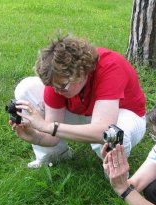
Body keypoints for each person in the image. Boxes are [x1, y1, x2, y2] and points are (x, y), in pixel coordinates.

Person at [11, 34, 147, 168]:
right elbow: (53, 135)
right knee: (26, 88)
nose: (56, 91)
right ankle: (54, 157)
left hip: (124, 115)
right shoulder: (58, 79)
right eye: (52, 86)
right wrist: (35, 136)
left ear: (81, 71)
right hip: (86, 114)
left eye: (62, 86)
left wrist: (46, 126)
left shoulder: (110, 66)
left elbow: (103, 131)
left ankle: (117, 180)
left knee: (114, 134)